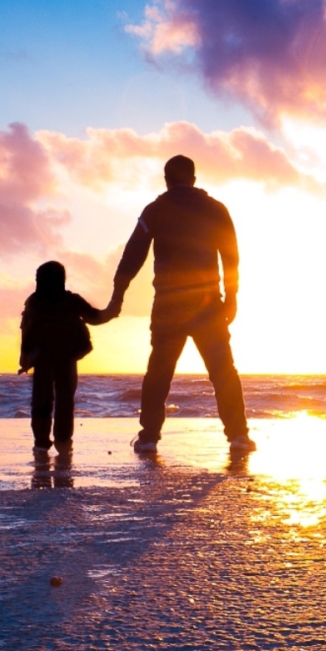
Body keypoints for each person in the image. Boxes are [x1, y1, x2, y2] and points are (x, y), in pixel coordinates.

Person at [106, 153, 251, 455]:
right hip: (208, 304)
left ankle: (148, 438)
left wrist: (118, 295)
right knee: (223, 370)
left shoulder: (156, 210)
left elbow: (133, 254)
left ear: (167, 179)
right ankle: (238, 436)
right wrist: (232, 298)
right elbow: (231, 256)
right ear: (193, 179)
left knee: (159, 371)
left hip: (169, 305)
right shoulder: (216, 209)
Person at [18, 259, 109, 456]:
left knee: (41, 401)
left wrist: (24, 359)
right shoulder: (71, 300)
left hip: (42, 357)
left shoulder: (33, 301)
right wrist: (112, 311)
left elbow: (26, 330)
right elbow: (94, 317)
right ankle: (63, 441)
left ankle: (41, 443)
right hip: (67, 356)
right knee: (65, 401)